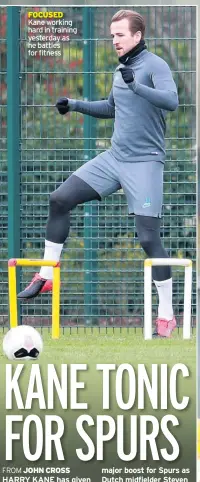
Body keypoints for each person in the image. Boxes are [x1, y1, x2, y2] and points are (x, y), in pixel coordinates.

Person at [18, 9, 179, 337]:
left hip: (145, 162)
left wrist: (139, 88)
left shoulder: (155, 65)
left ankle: (166, 313)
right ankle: (47, 274)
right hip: (115, 158)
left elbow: (172, 101)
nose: (114, 41)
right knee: (59, 199)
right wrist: (74, 104)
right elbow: (111, 108)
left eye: (120, 35)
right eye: (112, 36)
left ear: (137, 36)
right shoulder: (121, 70)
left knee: (148, 239)